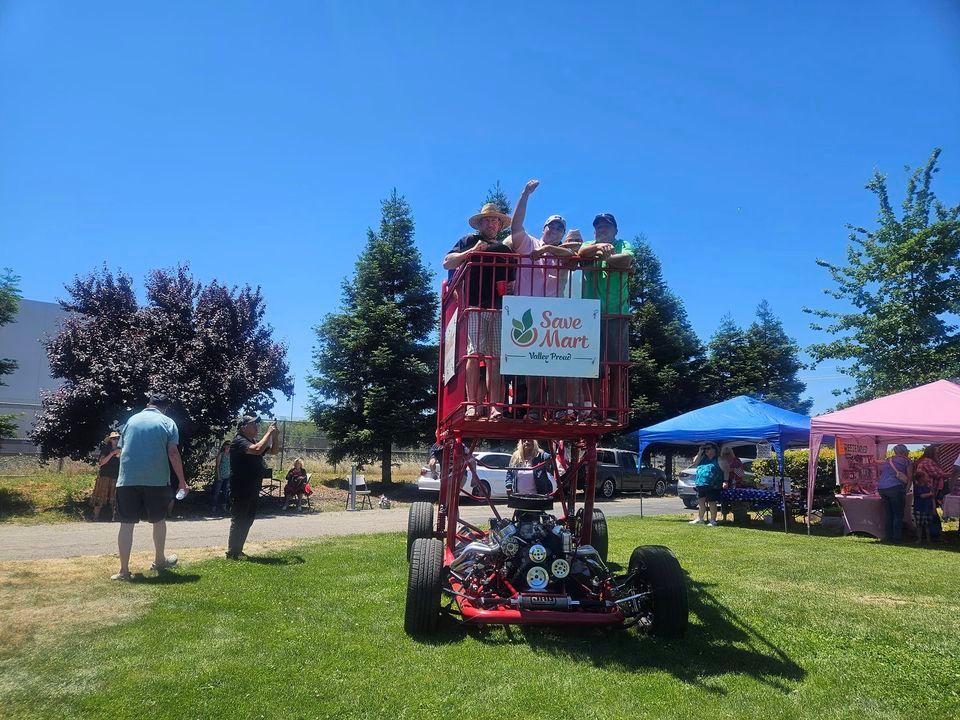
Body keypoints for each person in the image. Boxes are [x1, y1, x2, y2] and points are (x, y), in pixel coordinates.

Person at [505, 180, 577, 420]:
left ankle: (556, 409)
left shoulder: (561, 251)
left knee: (556, 362)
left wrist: (548, 251)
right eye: (552, 226)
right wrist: (524, 194)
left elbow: (572, 257)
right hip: (528, 311)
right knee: (533, 362)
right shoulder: (528, 243)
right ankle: (535, 408)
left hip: (554, 315)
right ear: (544, 227)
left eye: (560, 228)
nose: (555, 230)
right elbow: (516, 225)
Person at [443, 203, 516, 420]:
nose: (492, 223)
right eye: (488, 220)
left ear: (500, 225)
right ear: (480, 223)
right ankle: (473, 403)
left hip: (498, 307)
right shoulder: (468, 241)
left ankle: (494, 406)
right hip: (473, 305)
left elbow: (511, 279)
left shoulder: (505, 250)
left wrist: (510, 287)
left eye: (496, 220)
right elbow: (447, 263)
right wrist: (470, 253)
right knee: (474, 355)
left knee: (495, 358)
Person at [111, 393, 187, 580]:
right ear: (165, 407)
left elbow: (120, 451)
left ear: (148, 404)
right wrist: (182, 482)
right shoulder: (168, 422)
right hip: (157, 480)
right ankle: (159, 559)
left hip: (127, 480)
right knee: (159, 520)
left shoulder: (131, 421)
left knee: (126, 524)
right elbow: (173, 453)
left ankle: (123, 571)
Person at [577, 213, 634, 422]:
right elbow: (582, 252)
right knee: (592, 365)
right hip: (591, 315)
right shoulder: (591, 244)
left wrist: (607, 257)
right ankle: (593, 408)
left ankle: (611, 410)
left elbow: (626, 259)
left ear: (615, 230)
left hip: (616, 312)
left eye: (606, 226)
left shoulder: (623, 244)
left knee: (617, 364)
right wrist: (597, 249)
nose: (601, 229)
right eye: (598, 226)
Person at [226, 415, 279, 559]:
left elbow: (274, 451)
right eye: (253, 424)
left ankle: (238, 551)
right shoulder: (239, 441)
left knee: (248, 519)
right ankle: (232, 553)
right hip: (241, 487)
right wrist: (268, 433)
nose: (257, 427)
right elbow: (256, 450)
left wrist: (275, 436)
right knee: (239, 519)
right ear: (243, 427)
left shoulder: (253, 440)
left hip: (253, 486)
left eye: (257, 424)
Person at [876, 444, 912, 543]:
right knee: (898, 513)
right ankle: (897, 537)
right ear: (905, 451)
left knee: (889, 513)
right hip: (895, 488)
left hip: (882, 488)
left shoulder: (888, 460)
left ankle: (888, 536)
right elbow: (910, 477)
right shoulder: (907, 461)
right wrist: (907, 490)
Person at [914, 445, 951, 541]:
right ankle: (935, 535)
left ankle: (928, 536)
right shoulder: (928, 461)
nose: (939, 454)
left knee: (930, 513)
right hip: (928, 492)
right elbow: (939, 474)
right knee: (932, 514)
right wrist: (954, 473)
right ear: (932, 453)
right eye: (937, 452)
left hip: (928, 493)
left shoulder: (925, 461)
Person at [689, 442, 723, 526]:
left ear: (714, 449)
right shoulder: (702, 458)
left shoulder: (718, 459)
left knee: (712, 502)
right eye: (705, 448)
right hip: (701, 483)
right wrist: (700, 452)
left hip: (712, 484)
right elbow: (694, 463)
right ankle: (700, 519)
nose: (706, 450)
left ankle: (713, 520)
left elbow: (726, 470)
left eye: (708, 448)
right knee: (701, 502)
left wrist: (725, 481)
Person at [91, 431, 121, 522]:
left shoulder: (122, 449)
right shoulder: (105, 449)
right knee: (100, 497)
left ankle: (114, 518)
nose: (116, 440)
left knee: (114, 498)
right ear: (110, 440)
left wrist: (120, 454)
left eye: (117, 438)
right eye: (113, 438)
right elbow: (101, 462)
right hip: (105, 475)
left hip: (116, 476)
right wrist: (112, 454)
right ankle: (95, 517)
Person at [718, 446, 744, 522]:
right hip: (724, 483)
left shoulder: (737, 460)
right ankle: (724, 518)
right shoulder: (721, 460)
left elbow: (741, 473)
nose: (727, 455)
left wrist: (732, 469)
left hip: (735, 483)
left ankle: (737, 518)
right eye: (725, 454)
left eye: (728, 453)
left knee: (736, 501)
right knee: (724, 501)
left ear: (731, 453)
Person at [912, 472, 935, 544]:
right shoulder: (916, 487)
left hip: (928, 509)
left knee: (928, 525)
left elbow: (933, 498)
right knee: (919, 525)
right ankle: (919, 539)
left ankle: (929, 540)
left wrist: (934, 508)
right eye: (926, 477)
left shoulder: (929, 487)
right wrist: (930, 494)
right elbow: (921, 496)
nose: (927, 478)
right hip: (919, 509)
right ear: (921, 478)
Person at [211, 440, 231, 514]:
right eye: (228, 445)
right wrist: (218, 475)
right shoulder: (220, 455)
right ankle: (214, 507)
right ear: (224, 446)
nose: (229, 446)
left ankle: (224, 507)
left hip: (227, 476)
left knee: (226, 492)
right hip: (220, 476)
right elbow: (217, 466)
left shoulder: (230, 455)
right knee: (216, 493)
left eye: (230, 445)